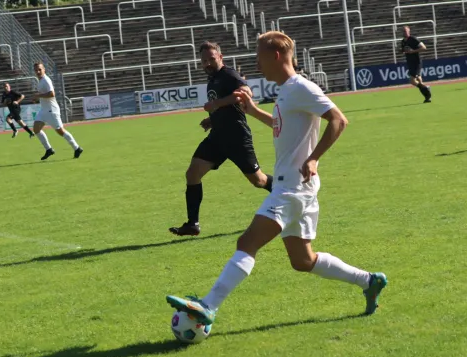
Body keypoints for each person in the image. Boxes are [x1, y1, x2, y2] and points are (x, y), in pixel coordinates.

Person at [166, 32, 387, 326]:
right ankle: (369, 281)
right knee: (302, 261)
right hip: (294, 187)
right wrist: (255, 112)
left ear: (276, 56)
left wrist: (314, 158)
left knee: (247, 242)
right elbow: (281, 124)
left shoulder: (300, 87)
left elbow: (338, 120)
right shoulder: (285, 90)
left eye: (258, 57)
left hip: (292, 187)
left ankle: (208, 305)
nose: (256, 64)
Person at [169, 41, 273, 237]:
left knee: (258, 181)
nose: (207, 63)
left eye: (211, 59)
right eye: (204, 60)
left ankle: (291, 196)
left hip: (236, 137)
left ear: (221, 57)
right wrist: (212, 119)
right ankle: (193, 224)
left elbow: (246, 93)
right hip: (217, 137)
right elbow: (227, 107)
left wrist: (216, 104)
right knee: (192, 174)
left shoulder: (228, 74)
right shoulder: (213, 78)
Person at [32, 62, 83, 160]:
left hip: (52, 110)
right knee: (36, 129)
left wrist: (38, 96)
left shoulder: (46, 80)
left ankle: (77, 148)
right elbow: (44, 95)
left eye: (39, 69)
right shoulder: (41, 81)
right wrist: (37, 98)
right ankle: (49, 149)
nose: (38, 71)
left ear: (44, 69)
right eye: (36, 70)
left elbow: (52, 94)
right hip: (44, 110)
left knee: (60, 131)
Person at [400, 26, 432, 103]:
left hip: (416, 62)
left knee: (412, 81)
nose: (405, 32)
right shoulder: (403, 42)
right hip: (410, 63)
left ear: (409, 31)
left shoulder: (413, 39)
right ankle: (427, 96)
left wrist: (413, 51)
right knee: (419, 80)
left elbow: (424, 47)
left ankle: (426, 88)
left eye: (406, 31)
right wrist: (401, 50)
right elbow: (404, 50)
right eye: (404, 31)